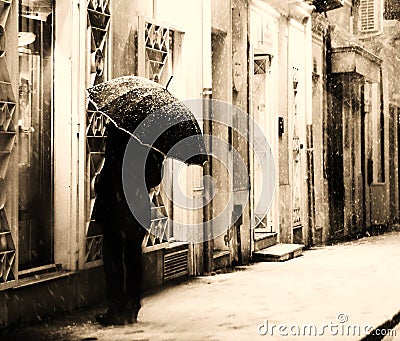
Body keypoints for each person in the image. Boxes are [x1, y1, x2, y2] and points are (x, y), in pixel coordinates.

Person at [94, 124, 164, 325]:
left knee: (113, 255)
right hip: (136, 203)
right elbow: (155, 176)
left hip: (114, 204)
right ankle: (131, 306)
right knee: (132, 255)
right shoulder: (151, 135)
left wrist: (105, 184)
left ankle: (116, 307)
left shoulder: (116, 130)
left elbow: (109, 170)